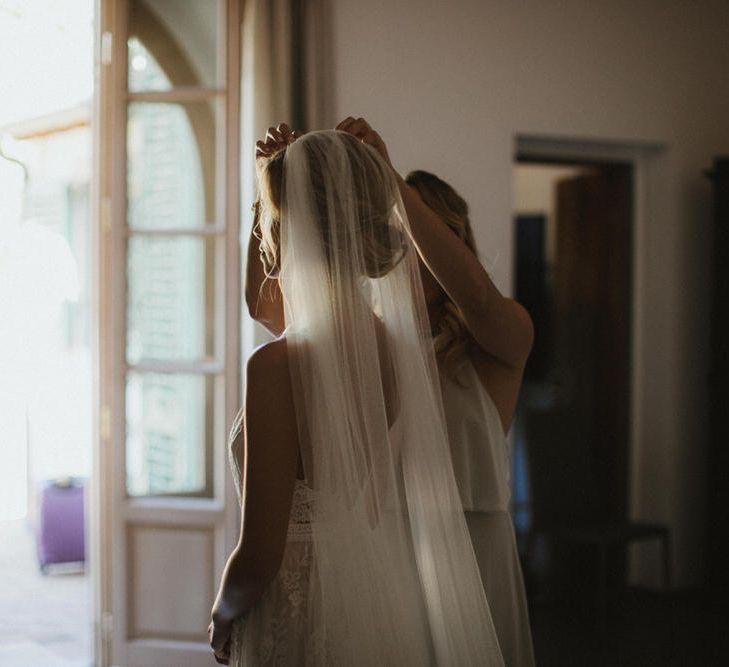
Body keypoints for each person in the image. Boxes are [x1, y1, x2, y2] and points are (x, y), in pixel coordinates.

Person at [239, 119, 537, 666]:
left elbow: (472, 290)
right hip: (382, 562)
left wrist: (389, 178)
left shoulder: (496, 345)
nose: (407, 249)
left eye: (418, 232)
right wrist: (274, 193)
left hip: (471, 557)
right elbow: (266, 307)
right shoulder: (369, 344)